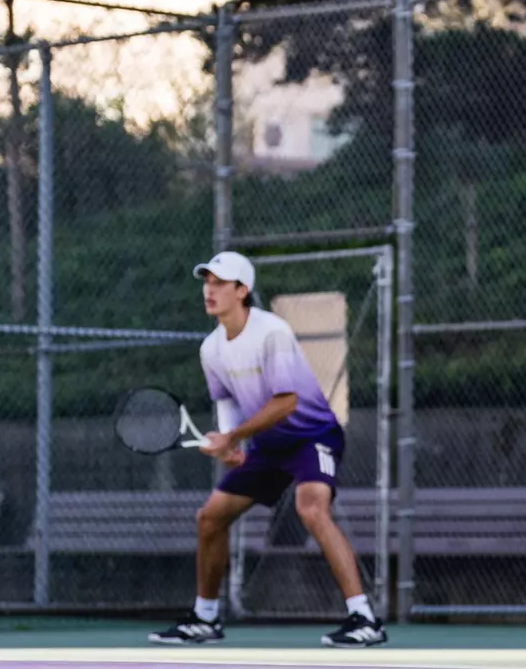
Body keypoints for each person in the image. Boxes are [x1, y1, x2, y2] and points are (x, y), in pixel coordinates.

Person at [148, 251, 387, 648]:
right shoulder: (211, 349)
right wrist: (228, 442)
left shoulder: (271, 333)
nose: (209, 289)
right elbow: (226, 400)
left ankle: (364, 618)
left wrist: (236, 435)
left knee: (311, 507)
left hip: (313, 435)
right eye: (206, 281)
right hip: (268, 445)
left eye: (220, 283)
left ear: (243, 290)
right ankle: (205, 618)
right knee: (210, 518)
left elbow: (287, 402)